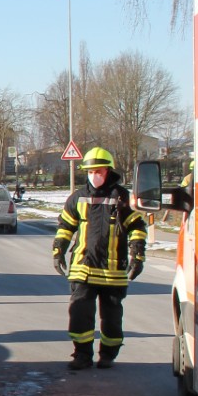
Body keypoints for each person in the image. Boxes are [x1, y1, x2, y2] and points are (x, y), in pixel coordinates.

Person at [52, 147, 148, 370]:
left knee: (112, 319)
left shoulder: (122, 198)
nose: (94, 175)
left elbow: (137, 228)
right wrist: (58, 251)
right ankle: (82, 355)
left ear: (108, 171)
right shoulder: (77, 198)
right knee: (79, 314)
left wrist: (138, 255)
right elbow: (65, 227)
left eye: (99, 170)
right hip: (82, 268)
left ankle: (108, 354)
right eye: (90, 170)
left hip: (113, 271)